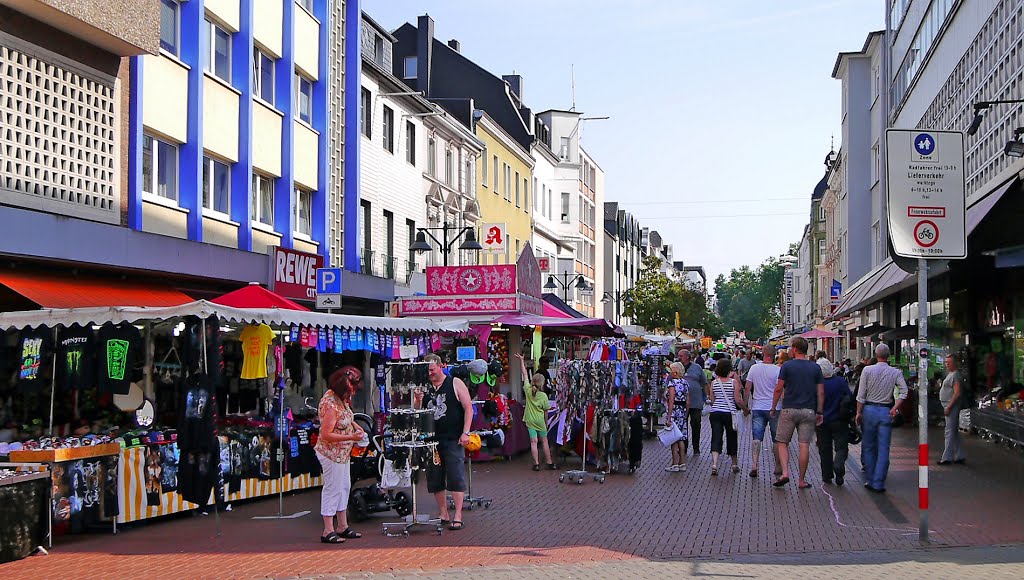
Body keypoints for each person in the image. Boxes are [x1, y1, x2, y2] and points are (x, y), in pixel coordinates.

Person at [414, 353, 475, 530]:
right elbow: (419, 413)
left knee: (455, 475)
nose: (430, 374)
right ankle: (443, 512)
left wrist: (466, 432)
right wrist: (418, 401)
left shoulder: (454, 383)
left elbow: (468, 408)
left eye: (432, 370)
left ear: (441, 366)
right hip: (432, 439)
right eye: (427, 371)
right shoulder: (424, 387)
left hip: (452, 437)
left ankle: (458, 514)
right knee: (435, 476)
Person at [314, 366, 365, 544]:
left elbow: (348, 418)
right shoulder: (331, 405)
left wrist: (357, 428)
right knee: (332, 488)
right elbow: (326, 434)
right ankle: (327, 529)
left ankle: (342, 525)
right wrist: (351, 436)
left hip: (342, 453)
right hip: (331, 453)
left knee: (344, 486)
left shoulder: (341, 399)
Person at [771, 337, 824, 489]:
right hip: (808, 410)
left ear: (794, 348)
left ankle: (785, 473)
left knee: (782, 442)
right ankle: (801, 480)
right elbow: (820, 392)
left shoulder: (787, 366)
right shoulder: (815, 368)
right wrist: (819, 411)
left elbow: (779, 388)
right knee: (804, 445)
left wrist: (773, 407)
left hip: (789, 409)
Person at [855, 344, 908, 493]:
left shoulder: (867, 370)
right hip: (885, 410)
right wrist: (894, 407)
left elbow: (861, 394)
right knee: (884, 448)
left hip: (869, 410)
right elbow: (904, 391)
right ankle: (879, 482)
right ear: (889, 355)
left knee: (869, 446)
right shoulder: (895, 372)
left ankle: (871, 479)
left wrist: (859, 412)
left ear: (875, 354)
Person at [744, 345, 782, 478]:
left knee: (757, 438)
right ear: (774, 355)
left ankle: (754, 465)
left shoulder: (754, 368)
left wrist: (745, 406)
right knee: (776, 439)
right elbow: (780, 390)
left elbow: (748, 388)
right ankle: (778, 466)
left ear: (762, 353)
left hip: (758, 406)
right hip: (774, 408)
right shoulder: (778, 370)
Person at [516, 353, 556, 471]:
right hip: (540, 421)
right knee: (544, 441)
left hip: (529, 419)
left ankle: (536, 464)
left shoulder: (528, 391)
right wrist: (546, 422)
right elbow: (545, 411)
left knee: (533, 442)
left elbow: (524, 374)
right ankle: (549, 462)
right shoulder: (543, 396)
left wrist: (521, 361)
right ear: (542, 384)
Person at [815, 359, 851, 486]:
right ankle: (839, 464)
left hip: (822, 420)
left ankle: (827, 474)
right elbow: (849, 397)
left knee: (824, 448)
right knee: (841, 447)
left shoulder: (817, 384)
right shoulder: (840, 382)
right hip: (839, 420)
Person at [708, 358, 744, 475]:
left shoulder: (714, 383)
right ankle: (734, 464)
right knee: (732, 437)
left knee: (716, 437)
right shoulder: (734, 382)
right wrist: (746, 409)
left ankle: (714, 464)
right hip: (729, 413)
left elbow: (712, 400)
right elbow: (737, 400)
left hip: (716, 412)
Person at [678, 349, 709, 456]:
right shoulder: (677, 367)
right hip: (681, 401)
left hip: (696, 401)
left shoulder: (697, 368)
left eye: (681, 356)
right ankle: (684, 447)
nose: (679, 357)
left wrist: (707, 397)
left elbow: (704, 383)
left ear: (687, 356)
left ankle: (696, 447)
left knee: (696, 424)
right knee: (683, 424)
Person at [938, 355, 966, 465]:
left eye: (949, 362)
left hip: (951, 406)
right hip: (949, 405)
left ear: (955, 363)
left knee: (949, 431)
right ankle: (960, 455)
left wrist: (949, 406)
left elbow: (957, 392)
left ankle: (947, 458)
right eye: (946, 362)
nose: (947, 364)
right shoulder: (951, 374)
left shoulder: (955, 376)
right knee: (953, 431)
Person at [664, 362, 690, 472]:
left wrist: (669, 416)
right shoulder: (685, 383)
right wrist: (686, 413)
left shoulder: (672, 383)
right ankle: (682, 462)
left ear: (675, 372)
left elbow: (671, 400)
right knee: (681, 437)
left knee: (673, 438)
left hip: (674, 411)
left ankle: (675, 463)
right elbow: (688, 401)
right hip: (683, 411)